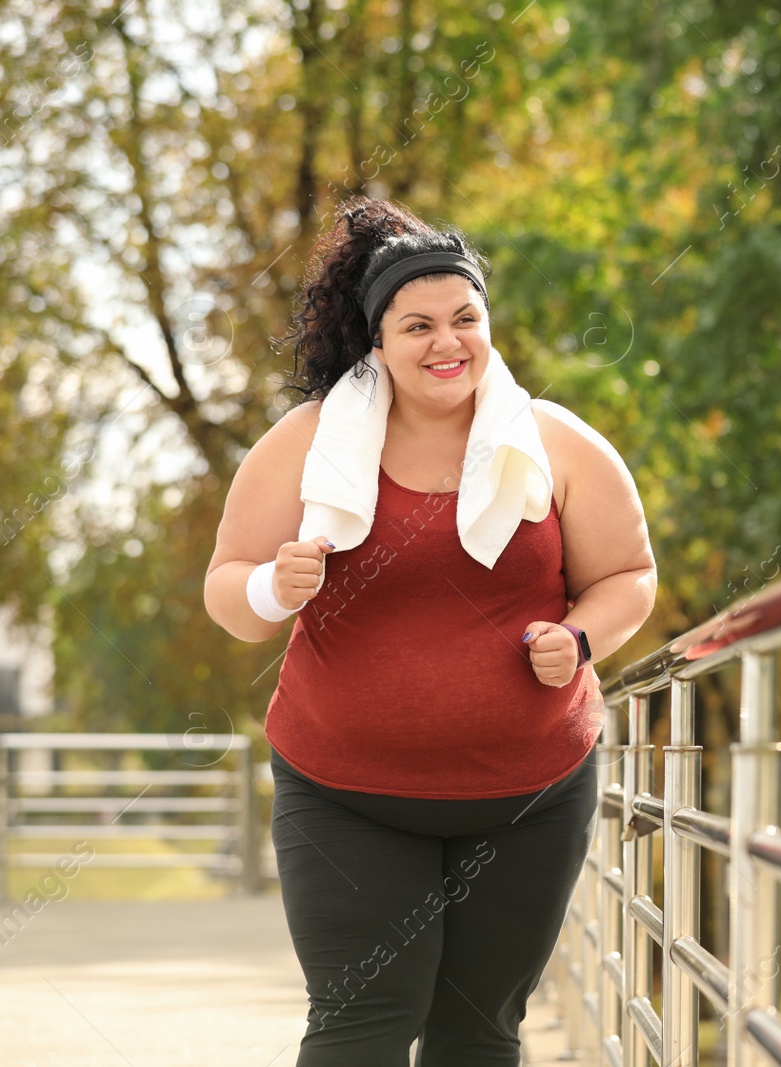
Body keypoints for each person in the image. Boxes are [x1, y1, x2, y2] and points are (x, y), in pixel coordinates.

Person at [203, 196, 656, 1066]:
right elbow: (228, 594)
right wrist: (272, 582)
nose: (447, 342)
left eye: (465, 318)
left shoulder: (557, 444)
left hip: (530, 797)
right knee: (363, 1020)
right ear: (377, 342)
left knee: (478, 1033)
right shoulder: (306, 445)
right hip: (343, 796)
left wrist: (583, 637)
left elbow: (628, 575)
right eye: (417, 325)